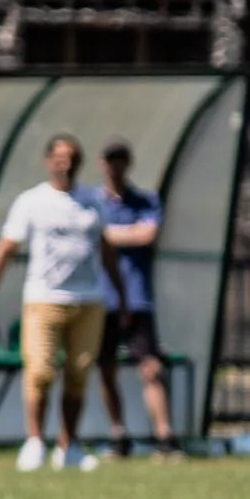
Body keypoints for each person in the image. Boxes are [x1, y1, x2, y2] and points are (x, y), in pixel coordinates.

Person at [0, 135, 131, 474]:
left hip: (88, 300)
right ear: (48, 161)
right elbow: (4, 251)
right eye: (59, 156)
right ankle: (33, 441)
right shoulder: (32, 201)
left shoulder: (92, 201)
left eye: (72, 156)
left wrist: (121, 297)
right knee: (41, 370)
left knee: (78, 374)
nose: (65, 163)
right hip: (43, 298)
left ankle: (68, 445)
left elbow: (106, 251)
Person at [94, 139, 179, 460]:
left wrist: (107, 235)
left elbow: (147, 235)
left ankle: (164, 438)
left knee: (150, 368)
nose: (115, 166)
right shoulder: (93, 201)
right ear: (102, 163)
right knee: (106, 370)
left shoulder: (145, 200)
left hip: (137, 297)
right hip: (101, 300)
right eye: (110, 159)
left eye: (121, 159)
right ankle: (119, 436)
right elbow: (90, 237)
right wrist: (119, 234)